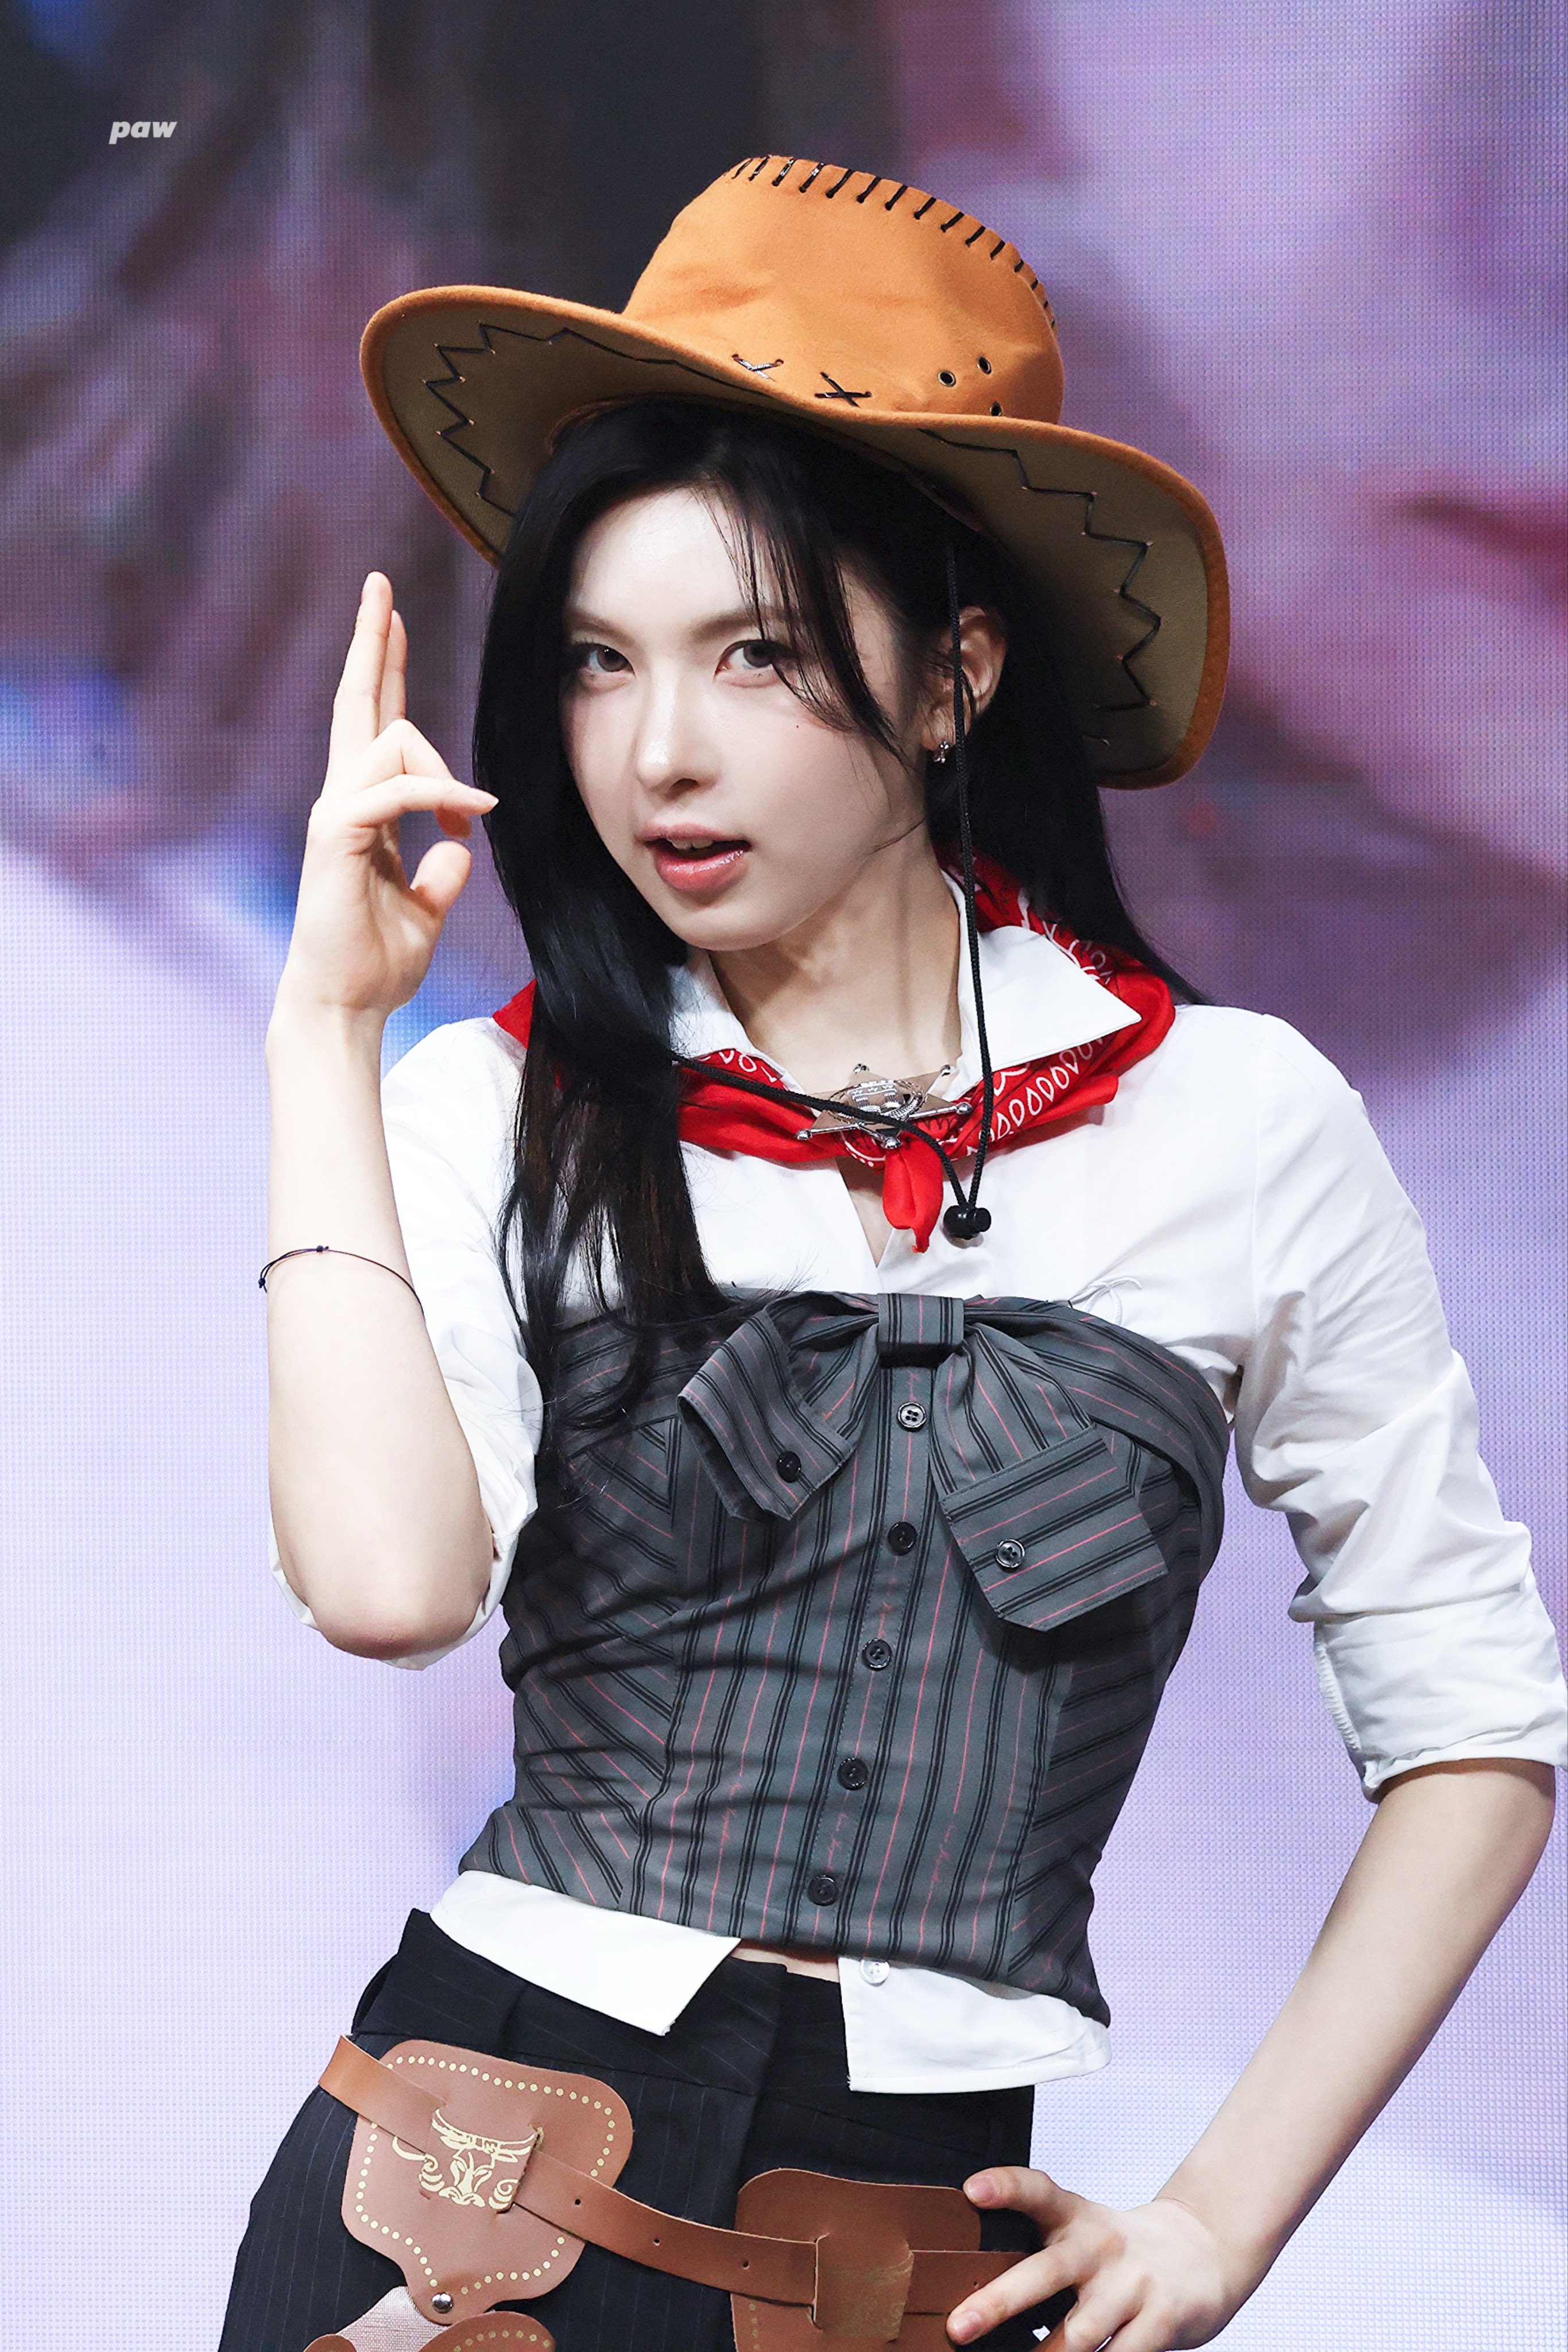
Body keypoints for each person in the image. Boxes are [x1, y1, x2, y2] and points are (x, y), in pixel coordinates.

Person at [224, 160, 1564, 2352]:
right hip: (462, 2209)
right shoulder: (499, 1100)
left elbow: (1476, 1728)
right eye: (598, 663)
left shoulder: (1234, 1124)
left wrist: (1220, 2223)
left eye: (753, 653)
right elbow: (388, 1591)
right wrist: (327, 1029)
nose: (660, 752)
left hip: (929, 2253)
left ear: (953, 676)